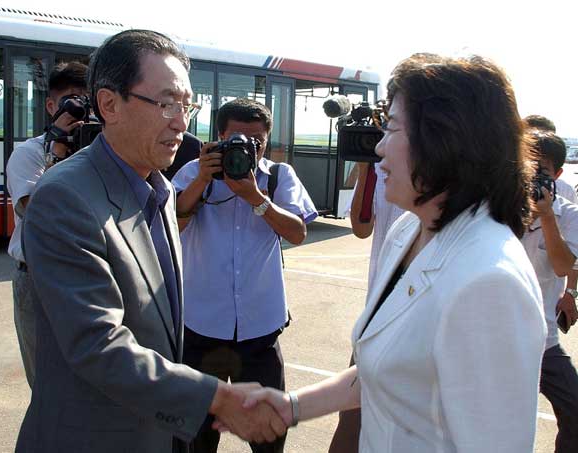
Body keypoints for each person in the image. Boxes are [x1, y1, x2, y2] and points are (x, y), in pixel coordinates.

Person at [230, 54, 547, 452]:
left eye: (392, 128)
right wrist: (291, 406)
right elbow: (386, 373)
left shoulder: (490, 282)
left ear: (444, 140)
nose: (378, 147)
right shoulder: (408, 230)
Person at [17, 30, 285, 453]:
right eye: (165, 104)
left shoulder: (160, 191)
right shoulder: (65, 197)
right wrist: (216, 398)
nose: (181, 121)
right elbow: (97, 344)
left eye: (186, 104)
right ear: (109, 105)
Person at [171, 97, 317, 453]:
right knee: (196, 433)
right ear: (219, 136)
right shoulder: (193, 172)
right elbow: (172, 224)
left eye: (257, 141)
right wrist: (204, 178)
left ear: (267, 141)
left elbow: (298, 233)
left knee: (269, 430)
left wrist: (256, 198)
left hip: (259, 330)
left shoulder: (279, 176)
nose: (247, 148)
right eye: (237, 138)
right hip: (201, 327)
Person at [5, 61, 88, 388]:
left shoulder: (102, 153)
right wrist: (57, 154)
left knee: (86, 382)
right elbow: (35, 212)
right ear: (52, 106)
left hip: (86, 276)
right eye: (72, 101)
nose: (81, 110)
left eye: (87, 101)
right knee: (44, 381)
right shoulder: (29, 154)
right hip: (37, 278)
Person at [329, 162, 405, 453]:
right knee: (352, 420)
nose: (382, 145)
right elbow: (361, 228)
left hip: (422, 330)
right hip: (376, 321)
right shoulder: (379, 169)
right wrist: (364, 171)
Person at [521, 130, 578, 452]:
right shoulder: (498, 208)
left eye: (540, 169)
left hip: (543, 341)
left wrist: (545, 215)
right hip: (497, 338)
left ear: (557, 174)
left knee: (574, 411)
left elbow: (562, 265)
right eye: (525, 166)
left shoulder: (569, 216)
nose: (531, 175)